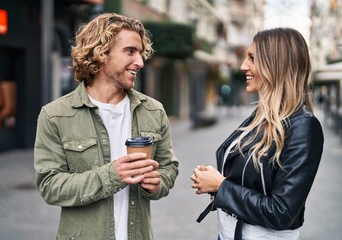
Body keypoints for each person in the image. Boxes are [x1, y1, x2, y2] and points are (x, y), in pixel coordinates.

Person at [34, 13, 179, 240]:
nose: (140, 62)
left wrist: (157, 183)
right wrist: (112, 175)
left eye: (141, 53)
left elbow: (168, 168)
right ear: (101, 52)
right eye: (130, 51)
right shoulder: (55, 115)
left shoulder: (154, 111)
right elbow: (51, 187)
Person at [191, 27, 324, 240]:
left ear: (276, 64)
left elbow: (281, 212)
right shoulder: (261, 115)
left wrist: (221, 186)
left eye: (252, 58)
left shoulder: (304, 126)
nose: (243, 66)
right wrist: (213, 180)